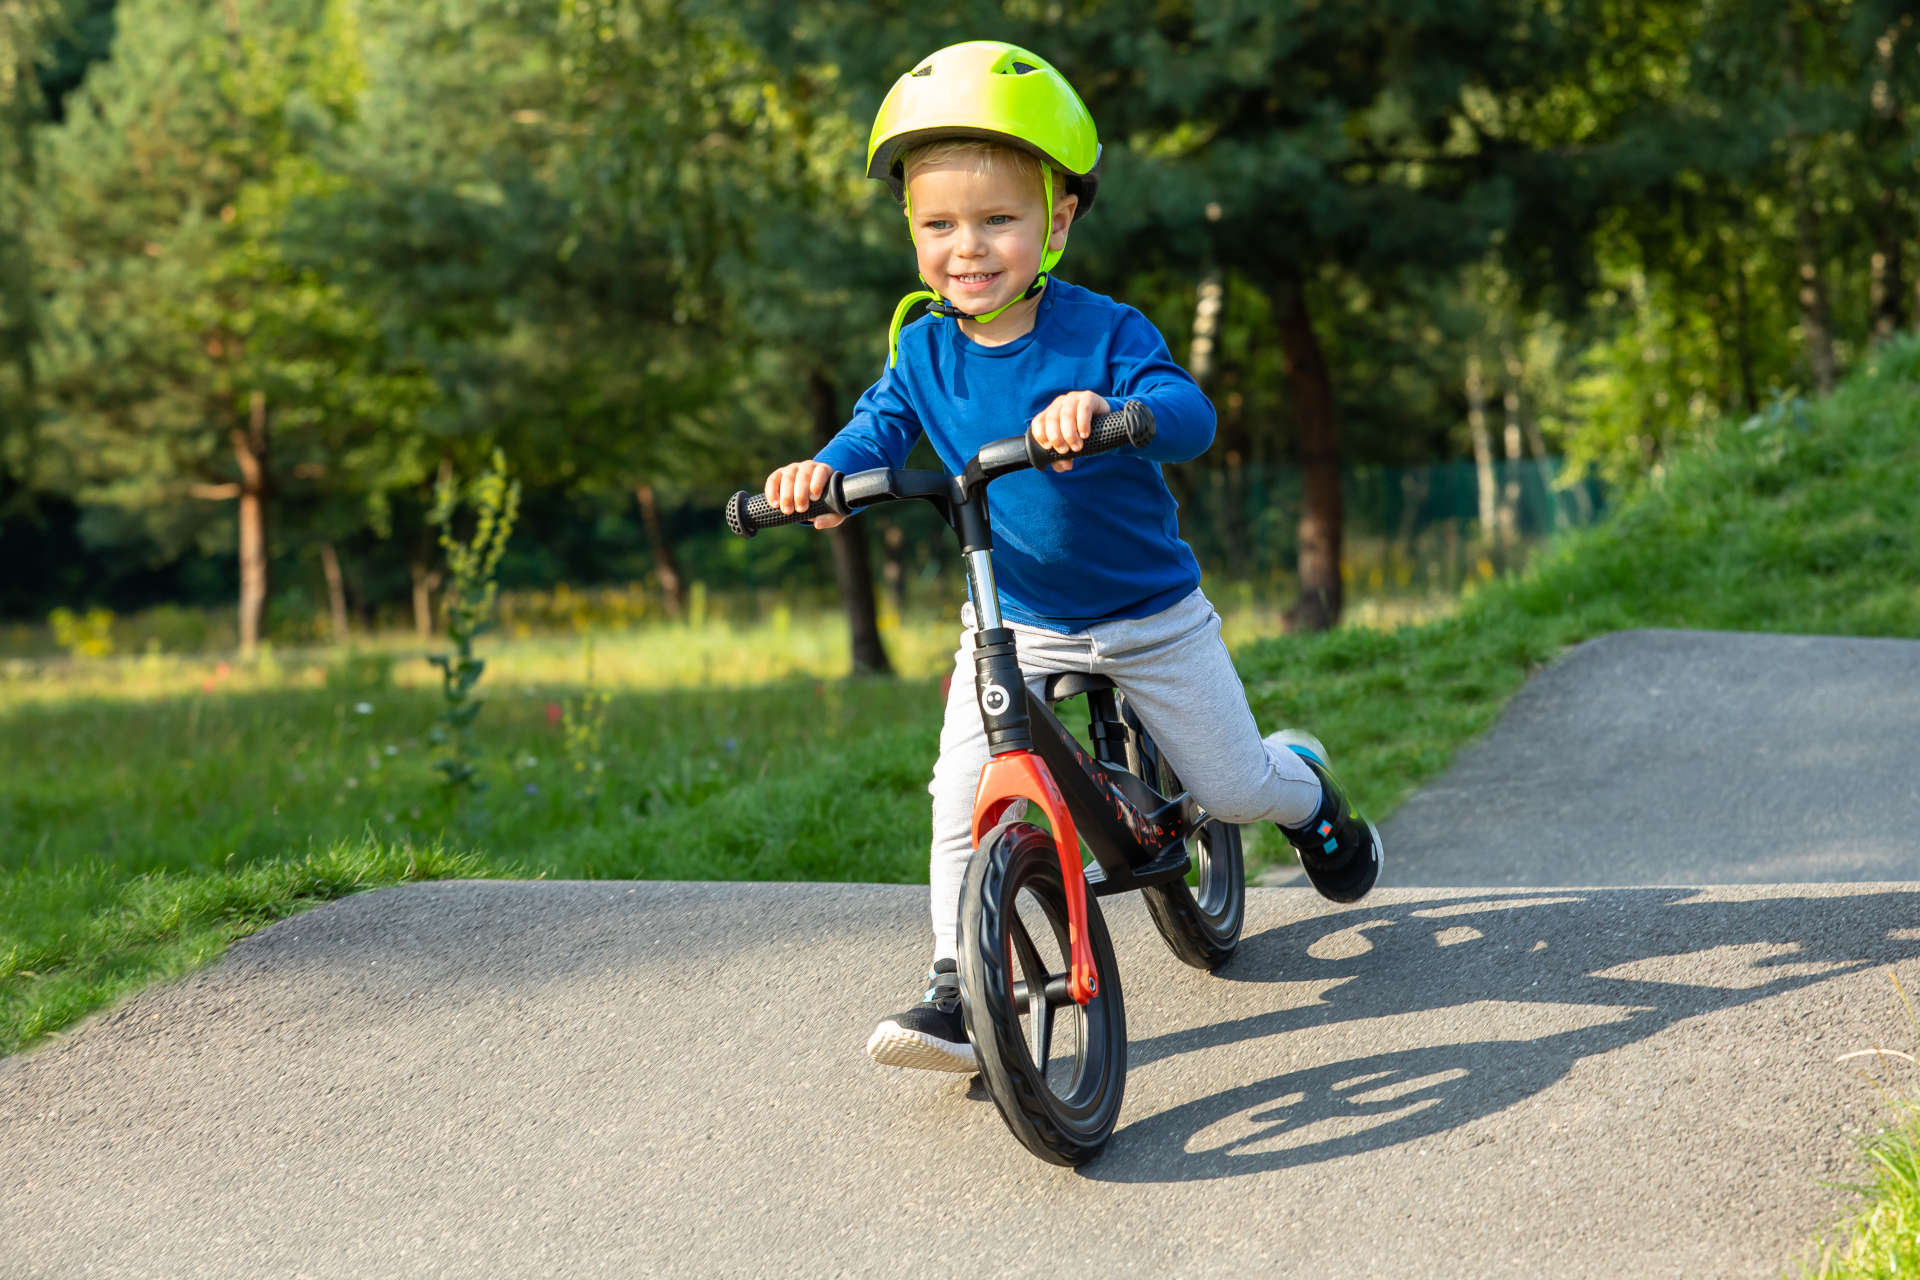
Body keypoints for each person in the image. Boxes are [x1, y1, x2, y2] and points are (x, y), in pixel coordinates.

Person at [760, 40, 1383, 1073]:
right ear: (911, 233)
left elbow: (1191, 413)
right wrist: (821, 475)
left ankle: (1306, 789)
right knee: (961, 795)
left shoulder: (1103, 329)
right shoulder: (922, 348)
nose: (968, 247)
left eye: (998, 220)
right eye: (938, 225)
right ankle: (961, 986)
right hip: (1018, 619)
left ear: (1056, 220)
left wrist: (1116, 408)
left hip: (1148, 611)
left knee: (1227, 786)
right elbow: (878, 425)